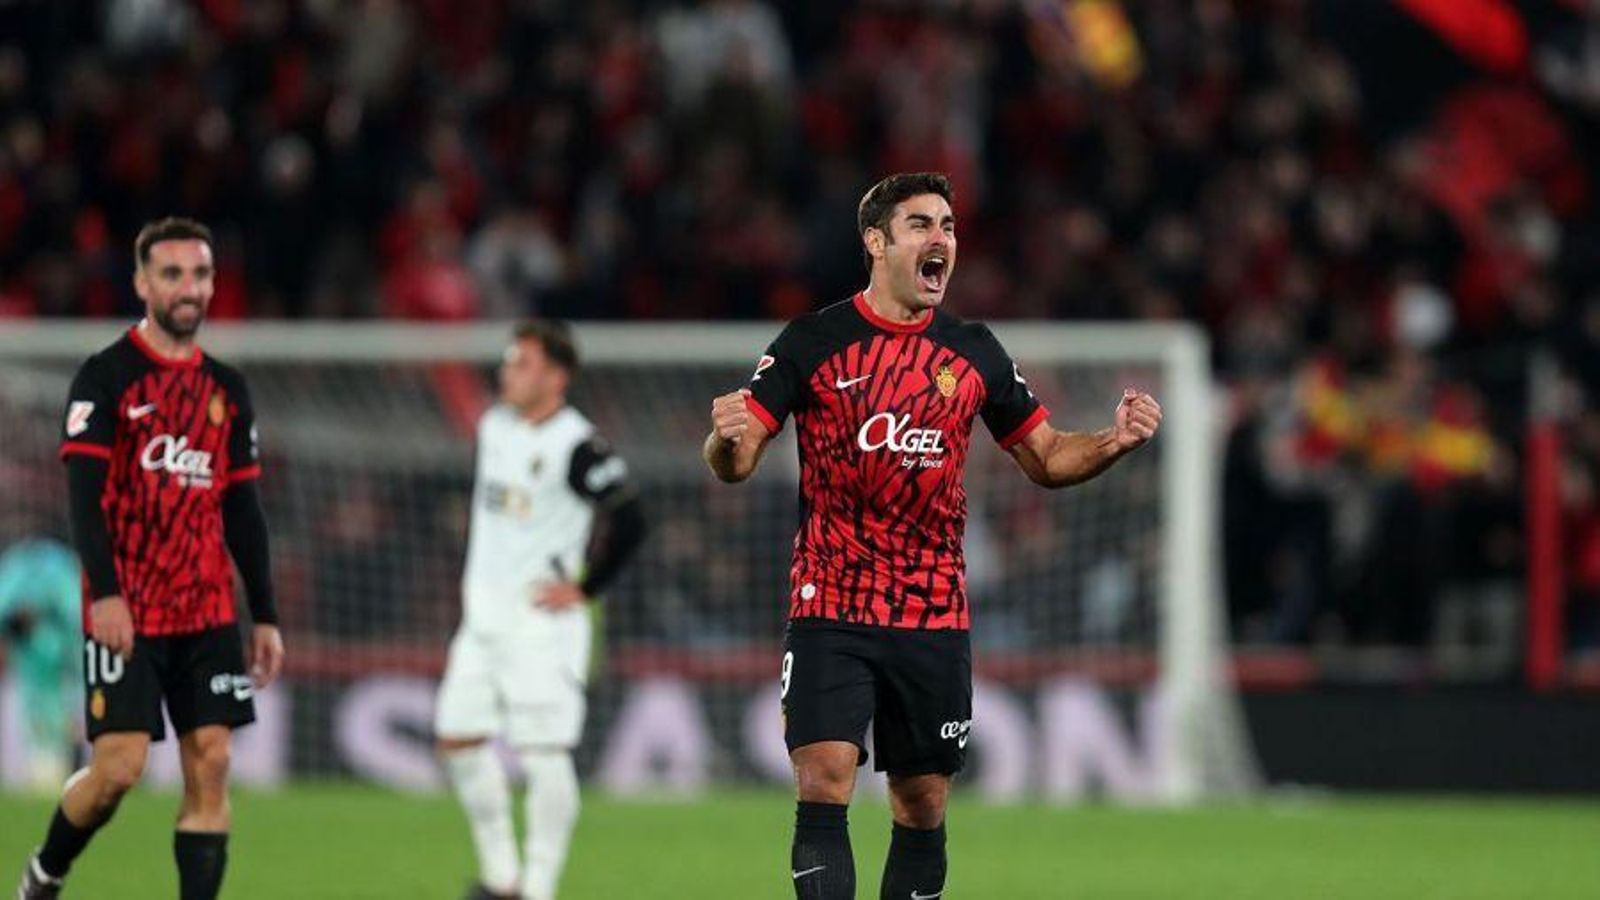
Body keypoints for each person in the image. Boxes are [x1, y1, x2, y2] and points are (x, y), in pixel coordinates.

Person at [703, 173, 1162, 900]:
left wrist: (1112, 441)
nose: (941, 237)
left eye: (947, 225)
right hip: (832, 601)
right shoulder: (812, 341)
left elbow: (1045, 458)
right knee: (825, 777)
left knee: (922, 804)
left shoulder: (974, 352)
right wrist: (724, 440)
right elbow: (739, 460)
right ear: (877, 242)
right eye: (920, 224)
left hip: (932, 608)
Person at [16, 217, 284, 900]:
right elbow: (83, 498)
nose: (188, 288)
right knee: (118, 770)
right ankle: (45, 872)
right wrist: (104, 593)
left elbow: (243, 514)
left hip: (206, 607)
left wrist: (266, 615)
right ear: (141, 283)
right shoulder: (104, 379)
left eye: (200, 274)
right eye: (172, 274)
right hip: (127, 611)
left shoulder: (228, 390)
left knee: (213, 759)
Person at [435, 321, 648, 900]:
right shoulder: (494, 425)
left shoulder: (577, 445)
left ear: (556, 377)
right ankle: (501, 877)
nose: (508, 371)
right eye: (508, 361)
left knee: (543, 753)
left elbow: (631, 519)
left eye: (522, 363)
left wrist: (585, 588)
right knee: (457, 737)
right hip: (480, 623)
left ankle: (538, 887)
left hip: (540, 626)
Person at [0, 537, 82, 792]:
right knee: (40, 716)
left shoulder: (56, 564)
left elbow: (72, 612)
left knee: (65, 714)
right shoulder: (19, 565)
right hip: (38, 663)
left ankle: (67, 767)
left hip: (62, 660)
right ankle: (49, 769)